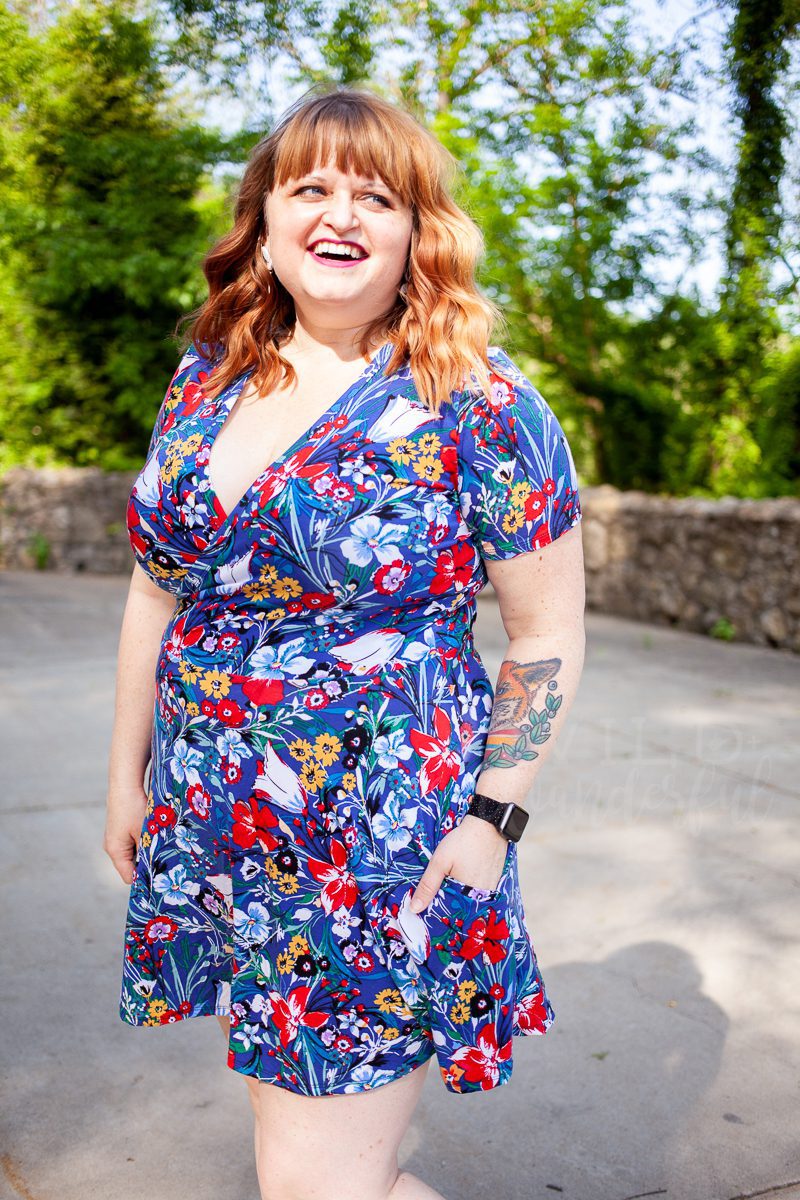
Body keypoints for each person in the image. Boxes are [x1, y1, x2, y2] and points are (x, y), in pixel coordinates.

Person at [104, 83, 586, 1200]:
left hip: (374, 838)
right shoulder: (208, 377)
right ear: (264, 222)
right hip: (214, 813)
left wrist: (494, 818)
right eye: (310, 187)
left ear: (418, 234)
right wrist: (125, 779)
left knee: (315, 1178)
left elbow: (546, 632)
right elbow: (154, 589)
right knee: (305, 1148)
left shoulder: (481, 402)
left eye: (376, 197)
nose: (340, 215)